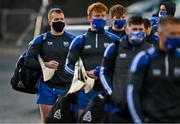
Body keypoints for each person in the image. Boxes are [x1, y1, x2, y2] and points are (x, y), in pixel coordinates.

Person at [65, 2, 119, 117]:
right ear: (89, 17)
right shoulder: (80, 40)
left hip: (107, 90)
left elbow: (121, 64)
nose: (100, 18)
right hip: (84, 91)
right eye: (97, 16)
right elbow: (68, 66)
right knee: (83, 120)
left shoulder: (115, 40)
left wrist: (105, 72)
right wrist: (85, 74)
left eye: (102, 16)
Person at [25, 8, 75, 123]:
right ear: (49, 22)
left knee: (67, 120)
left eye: (62, 19)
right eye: (56, 19)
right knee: (47, 121)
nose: (60, 21)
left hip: (67, 87)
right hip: (46, 86)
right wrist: (45, 64)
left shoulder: (73, 39)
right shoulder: (41, 39)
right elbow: (28, 61)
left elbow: (81, 62)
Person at [126, 16, 180, 123]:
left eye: (179, 33)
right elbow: (132, 93)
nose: (177, 37)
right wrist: (139, 121)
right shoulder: (144, 59)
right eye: (172, 34)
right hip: (151, 120)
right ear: (160, 33)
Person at [99, 16, 152, 122]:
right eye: (134, 29)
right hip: (118, 107)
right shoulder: (115, 47)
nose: (138, 32)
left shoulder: (150, 50)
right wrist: (112, 93)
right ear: (127, 29)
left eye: (141, 29)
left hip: (141, 107)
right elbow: (103, 72)